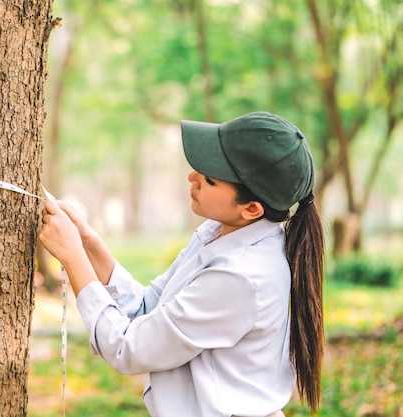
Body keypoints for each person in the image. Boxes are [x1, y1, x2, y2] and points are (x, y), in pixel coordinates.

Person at [39, 111, 325, 417]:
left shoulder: (241, 277)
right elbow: (150, 307)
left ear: (251, 209)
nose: (193, 176)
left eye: (210, 179)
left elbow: (128, 348)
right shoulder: (218, 233)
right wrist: (89, 244)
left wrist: (73, 258)